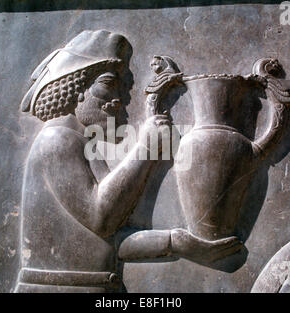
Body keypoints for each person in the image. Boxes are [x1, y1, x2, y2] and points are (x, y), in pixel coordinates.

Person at [15, 30, 173, 292]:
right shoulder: (57, 139)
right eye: (109, 84)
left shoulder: (83, 145)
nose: (119, 99)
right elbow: (103, 218)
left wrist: (177, 241)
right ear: (75, 88)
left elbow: (111, 237)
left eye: (124, 88)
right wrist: (146, 148)